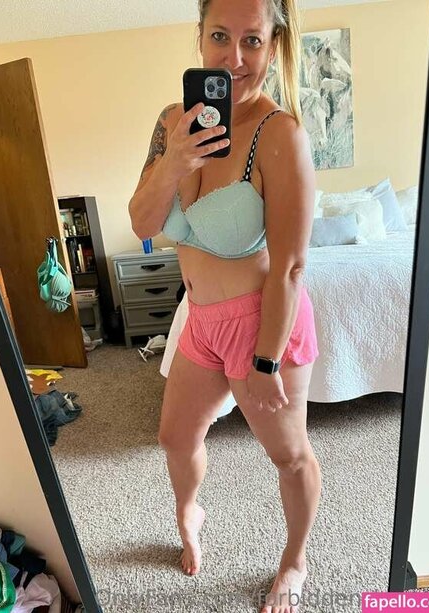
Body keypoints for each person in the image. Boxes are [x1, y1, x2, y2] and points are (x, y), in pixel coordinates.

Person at [128, 0, 321, 610]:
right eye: (219, 36)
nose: (233, 58)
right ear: (200, 38)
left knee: (289, 455)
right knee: (174, 436)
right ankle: (190, 510)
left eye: (252, 41)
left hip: (263, 324)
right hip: (200, 320)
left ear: (273, 46)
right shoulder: (171, 122)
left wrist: (265, 361)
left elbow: (290, 266)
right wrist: (174, 162)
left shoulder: (280, 135)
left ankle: (295, 560)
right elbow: (142, 223)